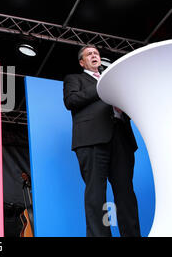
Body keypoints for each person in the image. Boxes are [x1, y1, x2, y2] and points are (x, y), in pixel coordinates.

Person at [63, 44, 141, 237]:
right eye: (89, 54)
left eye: (96, 53)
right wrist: (102, 87)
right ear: (82, 62)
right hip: (92, 140)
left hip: (121, 139)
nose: (94, 55)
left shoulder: (114, 81)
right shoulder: (75, 79)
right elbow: (70, 101)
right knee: (96, 195)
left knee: (126, 195)